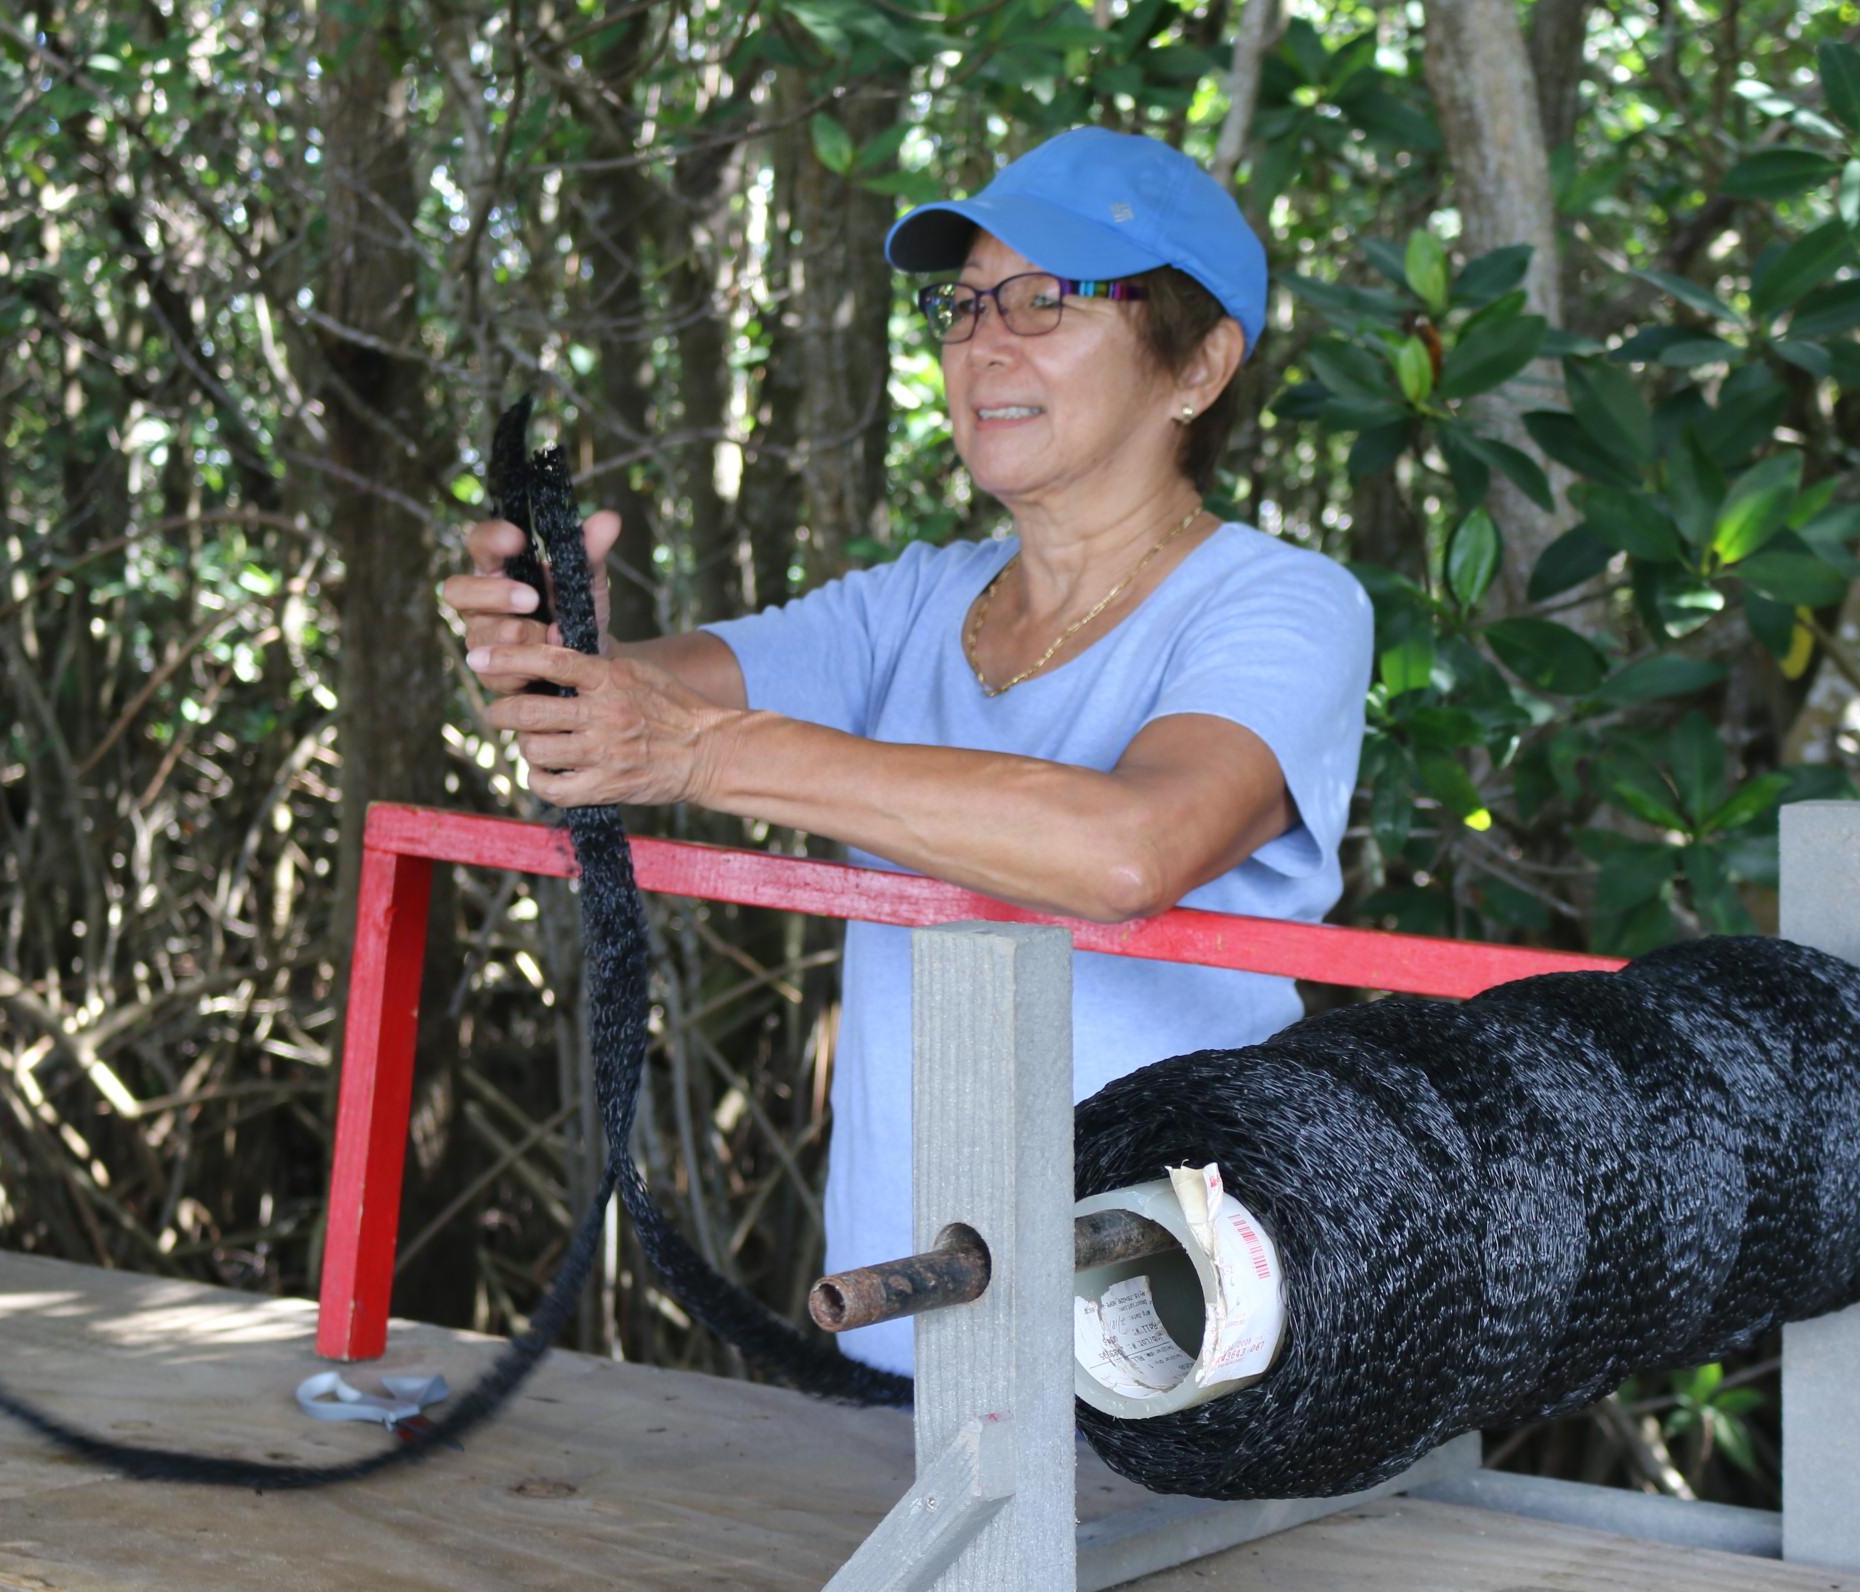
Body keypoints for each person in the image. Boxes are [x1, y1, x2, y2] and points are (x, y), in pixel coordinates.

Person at [435, 127, 1373, 1374]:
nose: (986, 339)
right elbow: (630, 701)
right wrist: (555, 644)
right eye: (964, 302)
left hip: (1168, 1365)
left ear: (1198, 364)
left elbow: (1129, 849)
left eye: (1048, 299)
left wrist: (702, 755)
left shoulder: (1281, 605)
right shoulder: (916, 603)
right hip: (898, 1340)